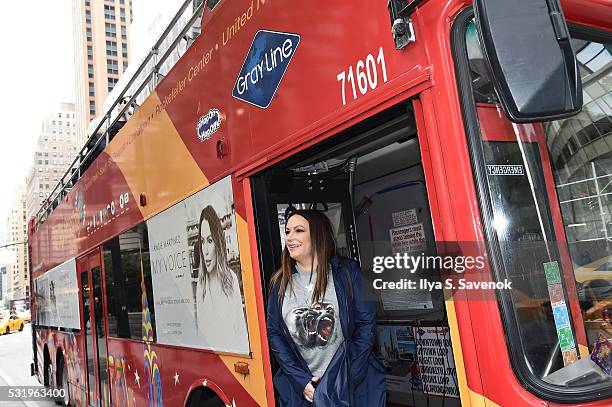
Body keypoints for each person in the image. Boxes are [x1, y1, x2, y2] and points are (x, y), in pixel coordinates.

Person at [267, 209, 386, 406]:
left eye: (298, 231)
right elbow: (275, 333)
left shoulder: (349, 272)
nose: (290, 238)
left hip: (350, 386)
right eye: (287, 231)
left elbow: (366, 324)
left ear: (317, 234)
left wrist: (346, 378)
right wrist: (301, 382)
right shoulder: (279, 282)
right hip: (302, 392)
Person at [194, 205, 249, 353]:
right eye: (203, 241)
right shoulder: (201, 285)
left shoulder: (230, 278)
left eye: (210, 240)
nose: (205, 251)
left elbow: (240, 331)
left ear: (218, 243)